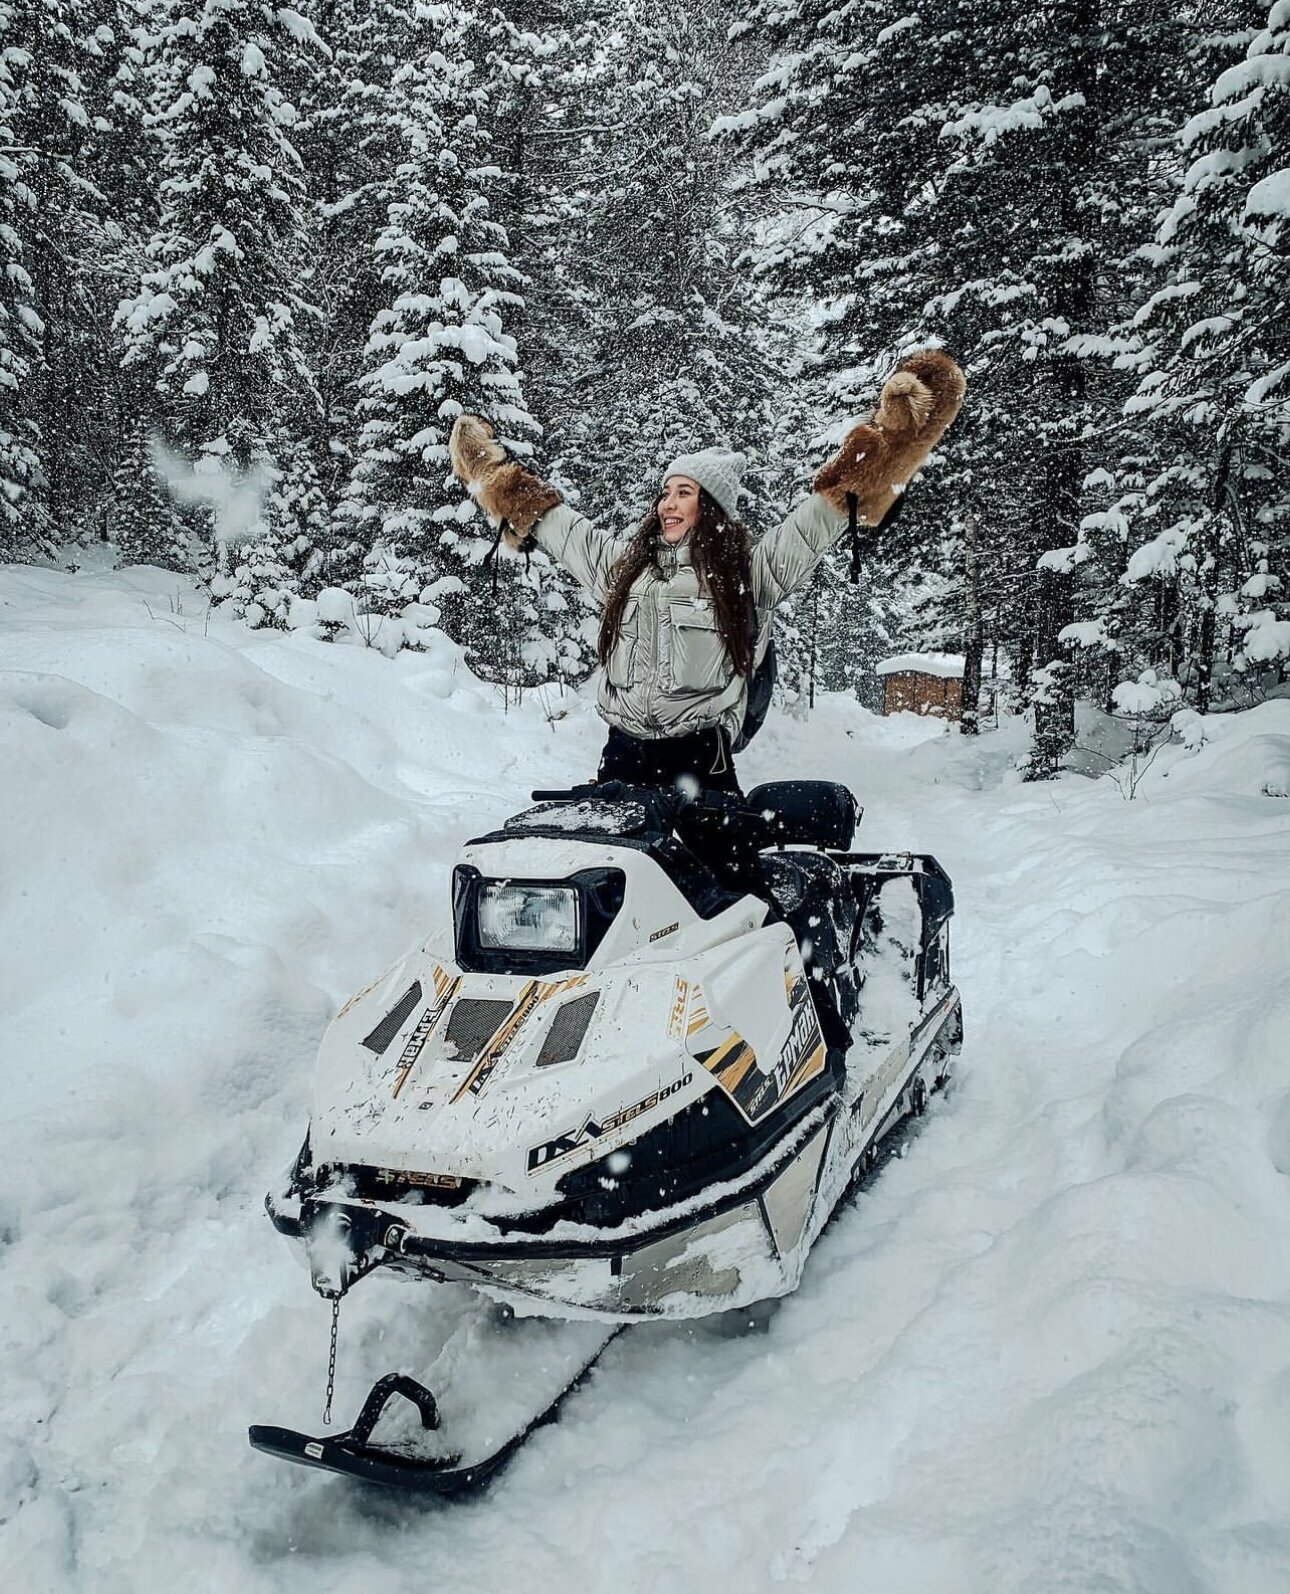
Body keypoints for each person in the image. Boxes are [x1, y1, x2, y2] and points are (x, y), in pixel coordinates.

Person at [449, 349, 965, 796]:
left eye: (684, 493)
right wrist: (494, 477)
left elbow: (818, 519)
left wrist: (892, 448)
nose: (667, 504)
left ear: (710, 507)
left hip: (700, 764)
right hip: (622, 760)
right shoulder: (623, 570)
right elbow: (560, 526)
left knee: (718, 901)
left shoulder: (747, 578)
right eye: (665, 492)